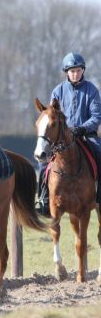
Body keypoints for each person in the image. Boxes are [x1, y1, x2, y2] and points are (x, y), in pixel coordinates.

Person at [36, 52, 101, 217]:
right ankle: (42, 198)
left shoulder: (92, 90)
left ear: (82, 70)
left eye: (78, 70)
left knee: (99, 153)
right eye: (72, 71)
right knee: (44, 161)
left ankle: (99, 195)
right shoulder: (58, 91)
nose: (75, 73)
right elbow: (52, 114)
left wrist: (82, 128)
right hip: (62, 138)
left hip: (86, 135)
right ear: (67, 72)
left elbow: (96, 116)